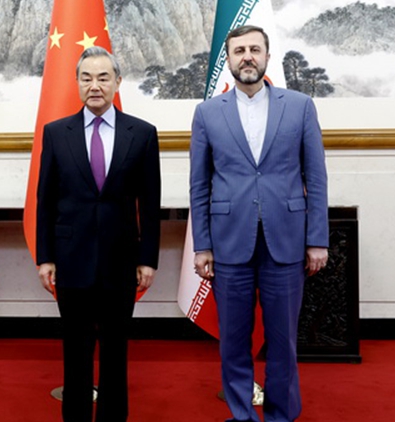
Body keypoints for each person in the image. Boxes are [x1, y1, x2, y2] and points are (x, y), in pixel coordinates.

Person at [189, 25, 329, 422]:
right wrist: (203, 245)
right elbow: (199, 184)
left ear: (267, 55)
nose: (247, 56)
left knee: (283, 342)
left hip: (286, 242)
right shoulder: (207, 113)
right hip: (228, 244)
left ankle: (281, 414)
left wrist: (317, 239)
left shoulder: (300, 106)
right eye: (239, 51)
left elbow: (316, 177)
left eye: (254, 49)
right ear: (229, 59)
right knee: (234, 341)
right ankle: (242, 415)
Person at [36, 46, 161, 422]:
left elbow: (149, 204)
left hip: (121, 261)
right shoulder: (56, 133)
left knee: (115, 352)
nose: (95, 85)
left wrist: (148, 259)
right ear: (76, 83)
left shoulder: (142, 134)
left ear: (117, 82)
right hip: (70, 260)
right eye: (87, 78)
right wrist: (45, 256)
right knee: (75, 351)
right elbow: (45, 200)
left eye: (103, 77)